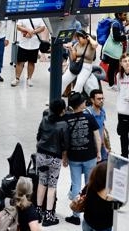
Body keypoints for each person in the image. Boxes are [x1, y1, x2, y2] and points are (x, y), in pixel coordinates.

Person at [64, 92, 102, 226]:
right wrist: (98, 152)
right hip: (90, 156)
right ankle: (89, 212)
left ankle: (75, 215)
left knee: (76, 184)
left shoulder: (67, 119)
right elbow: (97, 137)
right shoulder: (89, 117)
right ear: (80, 104)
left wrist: (65, 156)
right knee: (89, 184)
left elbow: (65, 140)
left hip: (74, 157)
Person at [35, 98, 69, 226]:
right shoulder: (63, 125)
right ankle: (49, 215)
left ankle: (38, 211)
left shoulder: (44, 120)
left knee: (42, 182)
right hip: (55, 157)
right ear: (62, 110)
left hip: (41, 154)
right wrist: (65, 158)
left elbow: (38, 136)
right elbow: (65, 144)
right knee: (52, 185)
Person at [60, 30, 98, 95]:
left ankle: (75, 101)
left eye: (79, 38)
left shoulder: (90, 45)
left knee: (79, 83)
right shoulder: (76, 45)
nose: (78, 40)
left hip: (86, 66)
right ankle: (56, 97)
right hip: (76, 65)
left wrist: (89, 37)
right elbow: (73, 58)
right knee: (63, 80)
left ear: (85, 37)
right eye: (77, 38)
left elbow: (95, 44)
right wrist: (71, 49)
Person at [12, 18, 47, 87]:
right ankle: (17, 78)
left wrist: (32, 32)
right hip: (23, 43)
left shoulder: (39, 16)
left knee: (31, 62)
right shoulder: (23, 15)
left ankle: (29, 78)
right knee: (20, 62)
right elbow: (18, 26)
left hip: (35, 44)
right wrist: (27, 30)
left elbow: (43, 27)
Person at [81, 161, 114, 231]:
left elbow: (82, 194)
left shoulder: (90, 186)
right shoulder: (112, 195)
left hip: (88, 222)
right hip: (104, 227)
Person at [85, 90, 109, 161]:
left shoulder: (102, 111)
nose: (101, 101)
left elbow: (102, 128)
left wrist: (105, 146)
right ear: (92, 100)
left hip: (101, 148)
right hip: (91, 149)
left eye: (102, 98)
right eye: (99, 99)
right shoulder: (87, 113)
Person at [117, 53, 129, 158]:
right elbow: (119, 89)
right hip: (122, 112)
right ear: (121, 63)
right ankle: (124, 156)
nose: (127, 63)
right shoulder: (118, 76)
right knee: (123, 136)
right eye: (125, 61)